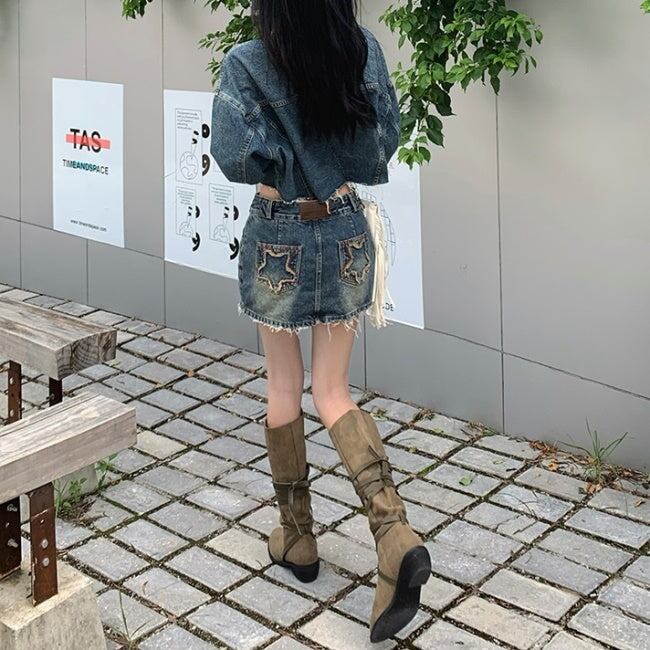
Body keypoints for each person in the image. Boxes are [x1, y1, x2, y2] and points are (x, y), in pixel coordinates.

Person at [210, 0, 431, 641]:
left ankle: (298, 537)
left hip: (279, 232)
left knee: (284, 384)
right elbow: (381, 145)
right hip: (345, 228)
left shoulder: (247, 62)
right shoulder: (360, 50)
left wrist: (282, 166)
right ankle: (393, 532)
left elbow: (235, 157)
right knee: (333, 390)